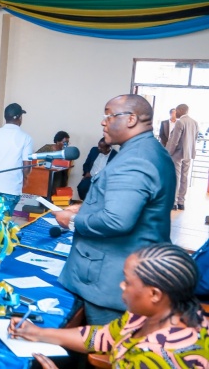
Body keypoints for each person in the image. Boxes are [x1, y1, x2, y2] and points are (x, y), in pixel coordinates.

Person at [54, 94, 176, 325]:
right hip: (131, 267)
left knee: (106, 343)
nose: (103, 122)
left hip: (112, 280)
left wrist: (72, 219)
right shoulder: (149, 150)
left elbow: (116, 220)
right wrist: (86, 207)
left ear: (131, 119)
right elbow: (128, 201)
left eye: (109, 115)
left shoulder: (134, 160)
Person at [8, 244, 208, 368]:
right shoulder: (151, 314)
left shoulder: (158, 355)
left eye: (128, 282)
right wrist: (39, 333)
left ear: (154, 294)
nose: (121, 285)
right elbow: (103, 337)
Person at [166, 104, 199, 210]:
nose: (176, 113)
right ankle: (181, 202)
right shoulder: (194, 122)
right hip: (188, 154)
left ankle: (174, 202)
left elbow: (175, 140)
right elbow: (195, 138)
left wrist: (169, 153)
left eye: (176, 111)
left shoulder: (180, 122)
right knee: (184, 177)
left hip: (178, 154)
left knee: (176, 177)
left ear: (181, 110)